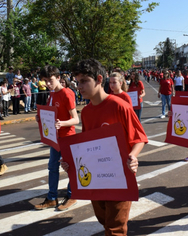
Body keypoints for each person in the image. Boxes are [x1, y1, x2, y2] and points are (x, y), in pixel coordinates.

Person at [60, 58, 147, 235]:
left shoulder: (119, 106)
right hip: (96, 178)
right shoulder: (86, 112)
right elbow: (87, 145)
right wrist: (71, 161)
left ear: (99, 79)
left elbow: (139, 138)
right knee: (104, 220)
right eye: (78, 82)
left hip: (120, 176)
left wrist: (133, 156)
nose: (79, 86)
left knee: (115, 228)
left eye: (84, 81)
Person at [34, 65, 79, 212]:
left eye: (50, 80)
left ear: (58, 77)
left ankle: (72, 195)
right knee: (52, 167)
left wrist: (62, 123)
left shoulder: (67, 94)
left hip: (67, 137)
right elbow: (50, 114)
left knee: (70, 168)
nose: (47, 83)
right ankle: (52, 198)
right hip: (55, 138)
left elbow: (76, 119)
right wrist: (40, 118)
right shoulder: (51, 94)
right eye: (45, 80)